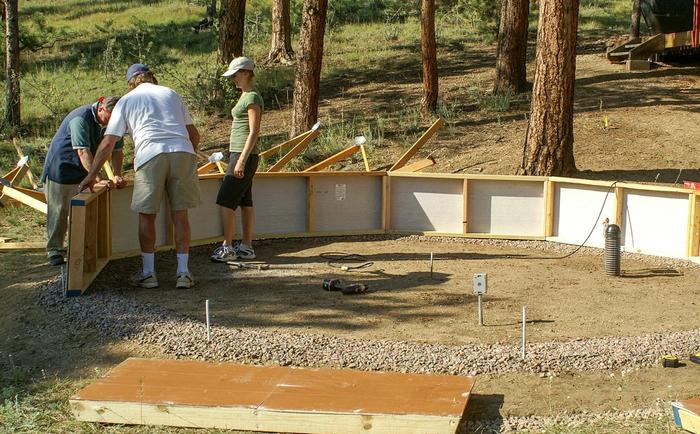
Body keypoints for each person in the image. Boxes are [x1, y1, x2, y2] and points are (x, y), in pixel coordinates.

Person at [79, 64, 201, 289]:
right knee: (180, 214)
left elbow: (108, 143)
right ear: (152, 78)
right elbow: (194, 135)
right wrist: (189, 160)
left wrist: (92, 175)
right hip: (182, 151)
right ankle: (183, 273)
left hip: (150, 154)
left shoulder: (126, 100)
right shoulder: (171, 93)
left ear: (131, 82)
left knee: (147, 215)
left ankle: (148, 273)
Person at [42, 96, 125, 266]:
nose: (112, 123)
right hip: (62, 168)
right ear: (101, 109)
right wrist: (98, 178)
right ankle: (54, 249)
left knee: (84, 210)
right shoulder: (80, 118)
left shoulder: (116, 121)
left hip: (86, 170)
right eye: (109, 118)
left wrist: (117, 174)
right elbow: (82, 151)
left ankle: (80, 248)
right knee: (60, 210)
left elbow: (117, 150)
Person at [210, 56, 262, 263]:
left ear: (246, 73)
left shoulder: (253, 98)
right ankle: (246, 247)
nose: (233, 79)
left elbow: (254, 131)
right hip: (240, 154)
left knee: (225, 200)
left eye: (236, 75)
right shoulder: (245, 96)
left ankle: (228, 247)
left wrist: (241, 160)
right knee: (244, 200)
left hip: (243, 155)